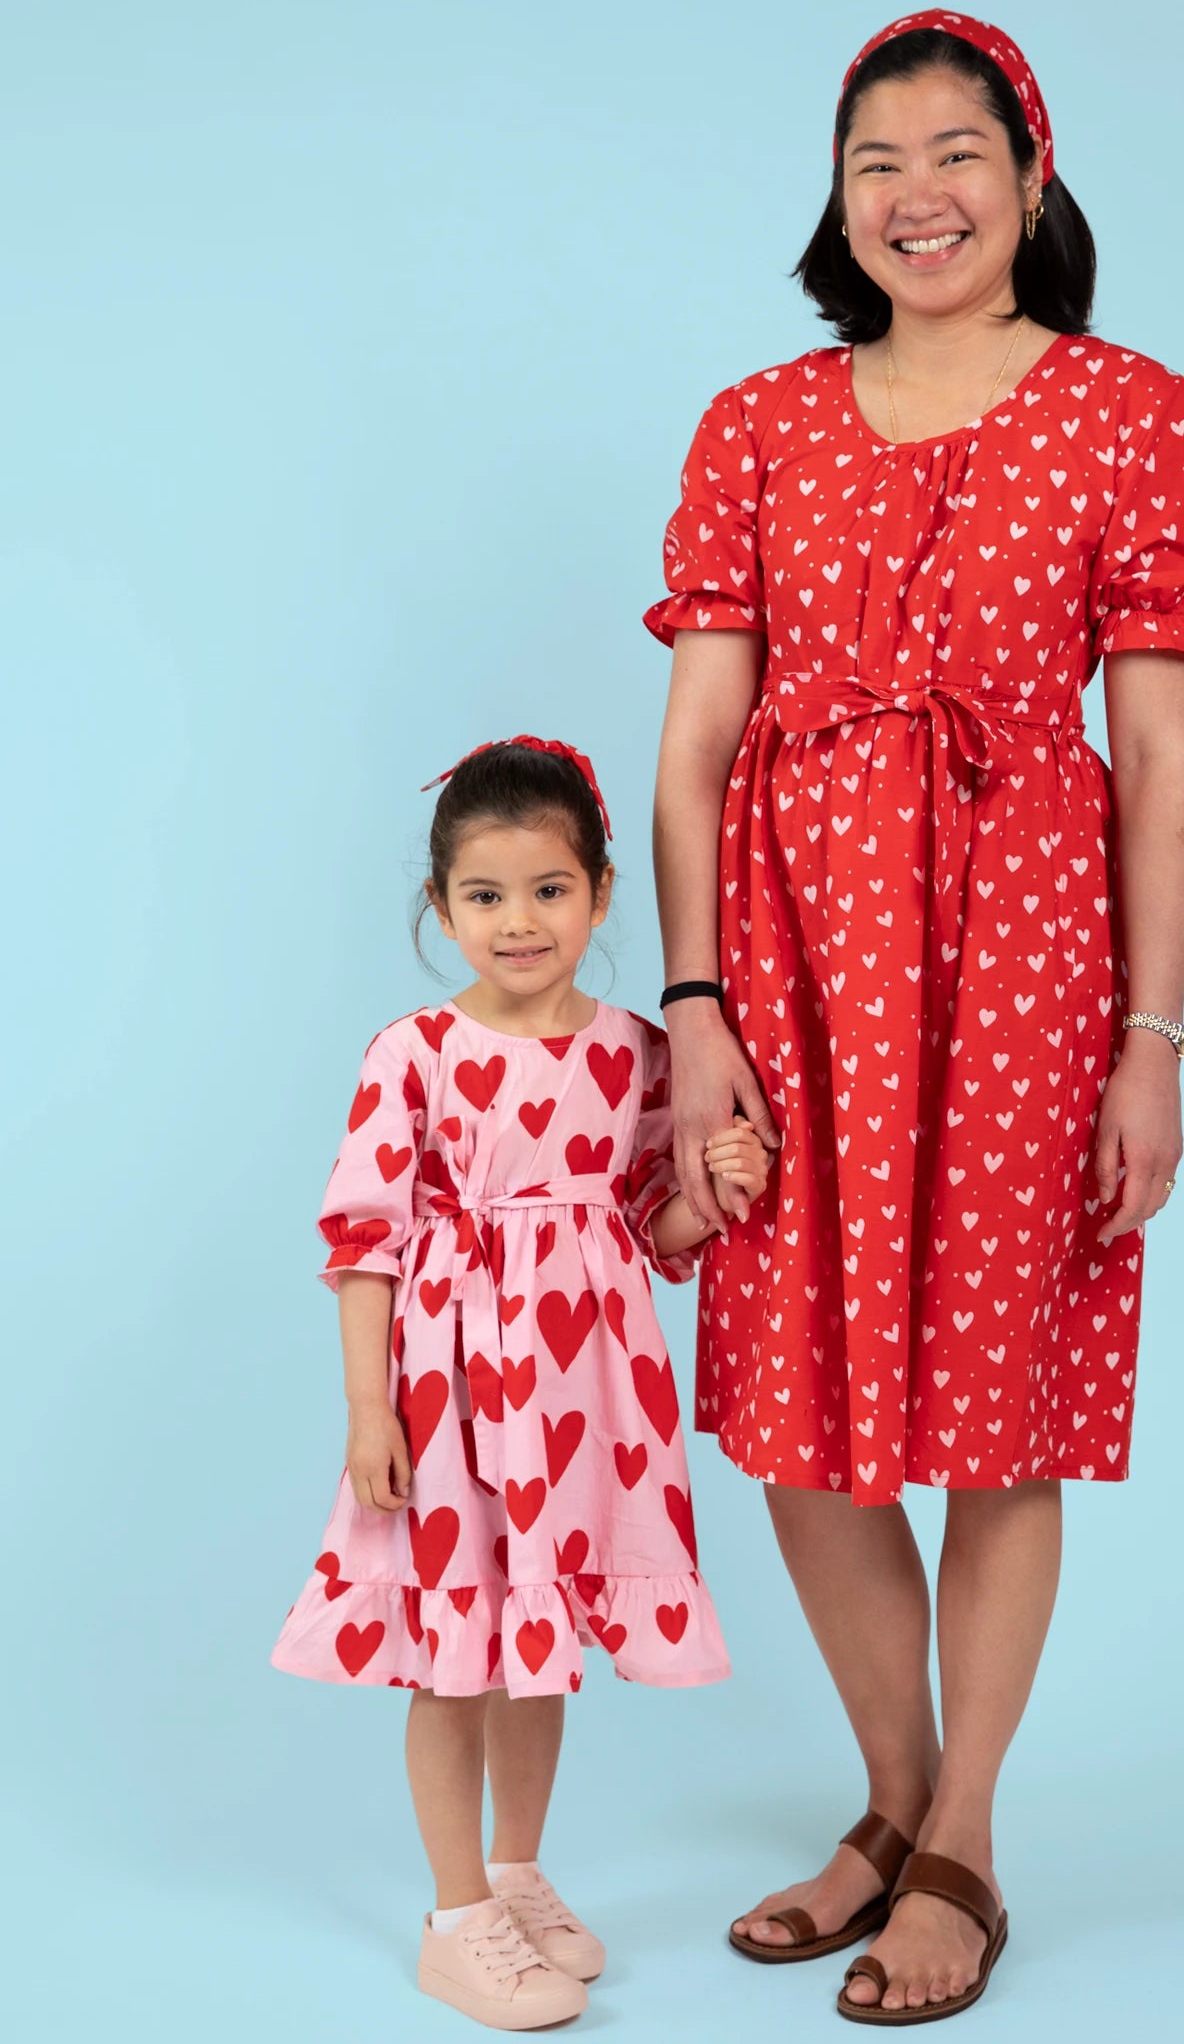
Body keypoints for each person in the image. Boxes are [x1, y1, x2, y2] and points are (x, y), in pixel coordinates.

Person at [646, 10, 1184, 2025]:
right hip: (792, 971)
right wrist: (691, 1009)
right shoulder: (756, 422)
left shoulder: (1140, 418)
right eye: (873, 164)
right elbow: (690, 757)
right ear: (840, 207)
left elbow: (1160, 766)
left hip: (1022, 963)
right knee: (804, 1420)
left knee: (999, 1417)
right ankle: (899, 1811)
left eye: (955, 154)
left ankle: (966, 1839)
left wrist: (1153, 1040)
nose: (916, 193)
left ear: (1029, 179)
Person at [272, 736, 769, 2031]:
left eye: (549, 890)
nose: (519, 921)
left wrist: (713, 1196)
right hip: (449, 1397)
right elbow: (363, 1243)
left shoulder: (639, 1054)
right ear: (441, 910)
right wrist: (369, 1408)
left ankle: (514, 1871)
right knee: (455, 1653)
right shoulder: (415, 1054)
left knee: (540, 1646)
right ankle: (453, 1921)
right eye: (485, 896)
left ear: (602, 893)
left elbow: (644, 1234)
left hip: (584, 1400)